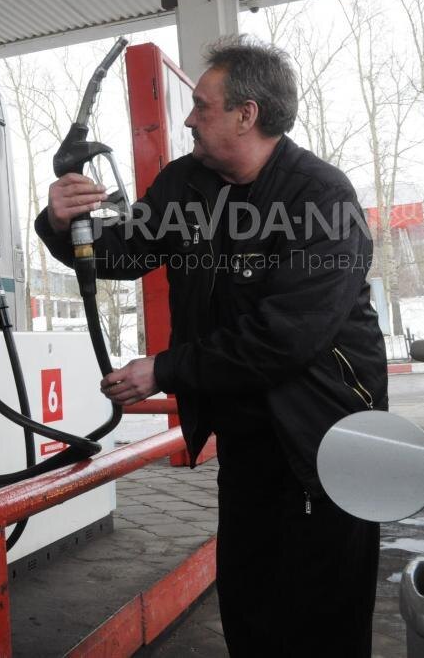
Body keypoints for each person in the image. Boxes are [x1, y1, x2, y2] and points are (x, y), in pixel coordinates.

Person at [37, 35, 386, 656]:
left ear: (246, 114)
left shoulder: (322, 199)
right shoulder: (186, 184)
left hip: (325, 445)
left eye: (202, 106)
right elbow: (120, 253)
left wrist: (164, 370)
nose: (190, 118)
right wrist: (65, 223)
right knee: (250, 609)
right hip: (249, 445)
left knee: (323, 621)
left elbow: (286, 337)